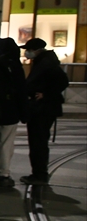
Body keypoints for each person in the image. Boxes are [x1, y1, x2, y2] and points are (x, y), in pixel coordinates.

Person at [21, 37, 69, 185]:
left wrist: (46, 94)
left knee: (38, 142)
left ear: (36, 50)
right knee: (38, 142)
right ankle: (38, 173)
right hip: (42, 108)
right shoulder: (43, 61)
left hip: (43, 109)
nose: (27, 53)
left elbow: (62, 81)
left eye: (28, 50)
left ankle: (39, 175)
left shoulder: (46, 63)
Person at [0, 37, 26, 187]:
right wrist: (24, 113)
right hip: (11, 112)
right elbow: (22, 91)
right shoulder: (16, 67)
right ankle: (3, 173)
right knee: (6, 143)